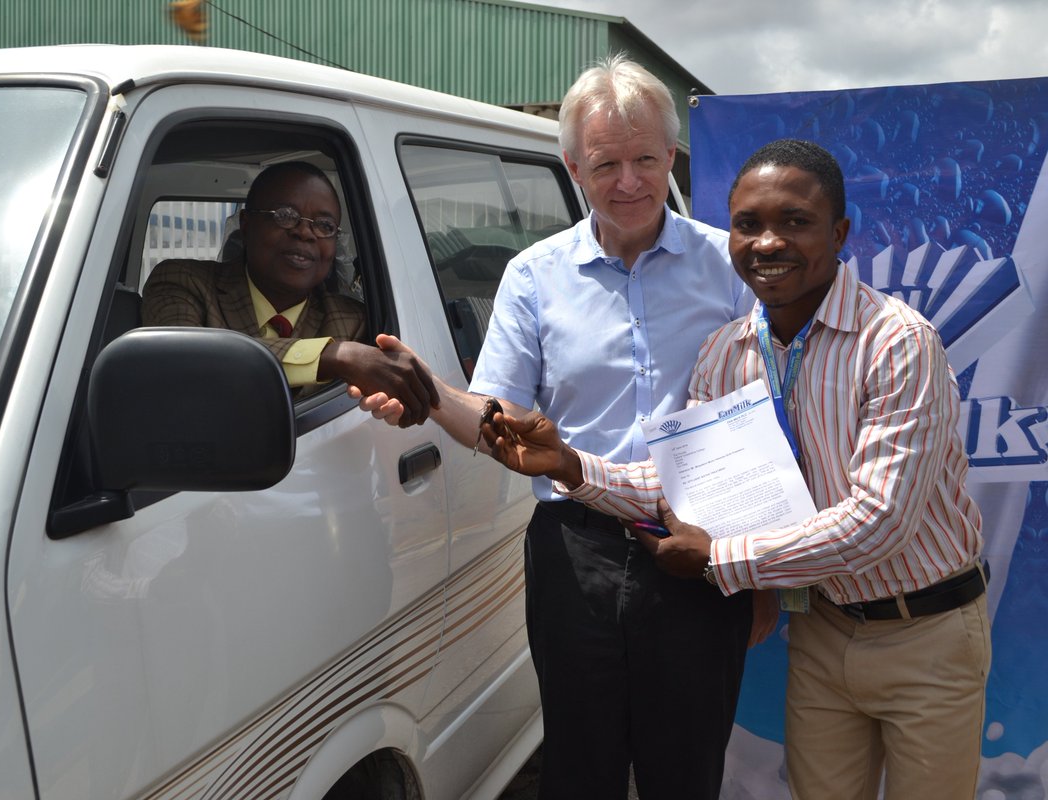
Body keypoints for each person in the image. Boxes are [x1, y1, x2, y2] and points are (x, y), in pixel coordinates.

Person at [481, 138, 991, 800]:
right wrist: (571, 465)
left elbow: (878, 521)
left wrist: (719, 562)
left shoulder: (896, 344)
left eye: (795, 222)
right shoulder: (728, 353)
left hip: (927, 635)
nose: (767, 243)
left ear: (839, 233)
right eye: (748, 224)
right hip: (822, 632)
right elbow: (682, 486)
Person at [354, 56, 774, 800]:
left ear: (670, 156)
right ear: (573, 167)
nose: (629, 182)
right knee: (580, 769)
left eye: (646, 159)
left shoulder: (729, 266)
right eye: (605, 163)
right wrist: (426, 392)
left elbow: (774, 411)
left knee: (688, 770)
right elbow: (497, 418)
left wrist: (761, 575)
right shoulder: (534, 276)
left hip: (698, 546)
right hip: (575, 554)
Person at [142, 160, 438, 426]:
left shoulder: (353, 321)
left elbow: (381, 389)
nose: (305, 233)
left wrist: (394, 403)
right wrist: (334, 355)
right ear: (246, 226)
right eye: (285, 215)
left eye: (324, 225)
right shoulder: (182, 282)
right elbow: (184, 366)